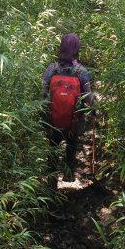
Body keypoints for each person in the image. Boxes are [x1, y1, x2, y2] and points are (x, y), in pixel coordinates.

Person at [42, 33, 95, 183]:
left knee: (53, 147)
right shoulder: (81, 71)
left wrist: (43, 115)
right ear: (77, 49)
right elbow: (89, 97)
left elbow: (42, 94)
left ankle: (51, 182)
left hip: (53, 120)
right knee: (71, 146)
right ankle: (69, 174)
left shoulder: (52, 69)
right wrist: (96, 109)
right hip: (74, 122)